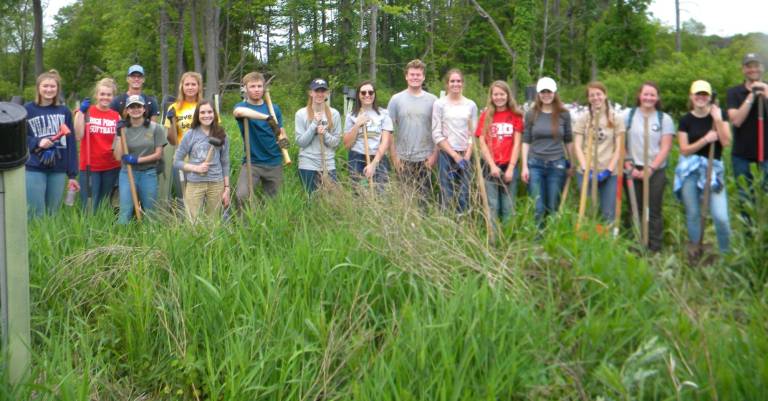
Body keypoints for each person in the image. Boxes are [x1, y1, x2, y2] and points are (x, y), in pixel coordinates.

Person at [674, 80, 732, 255]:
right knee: (693, 214)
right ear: (691, 96)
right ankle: (696, 250)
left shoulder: (719, 115)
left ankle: (726, 254)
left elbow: (726, 142)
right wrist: (705, 140)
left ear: (709, 97)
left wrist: (718, 120)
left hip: (713, 171)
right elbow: (684, 150)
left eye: (704, 94)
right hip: (690, 171)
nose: (701, 97)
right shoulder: (685, 120)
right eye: (697, 94)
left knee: (721, 217)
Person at [623, 81, 675, 252]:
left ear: (657, 97)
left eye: (652, 95)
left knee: (653, 209)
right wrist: (628, 163)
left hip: (655, 169)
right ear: (639, 95)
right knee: (634, 208)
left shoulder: (664, 119)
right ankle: (636, 244)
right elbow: (620, 143)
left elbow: (666, 147)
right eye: (646, 94)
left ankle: (654, 247)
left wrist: (650, 169)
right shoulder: (628, 115)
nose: (648, 98)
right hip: (632, 167)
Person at [24, 70, 79, 218]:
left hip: (58, 168)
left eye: (52, 86)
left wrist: (72, 174)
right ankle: (35, 241)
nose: (49, 90)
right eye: (45, 86)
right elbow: (19, 138)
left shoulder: (64, 112)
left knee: (53, 213)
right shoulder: (27, 110)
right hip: (34, 167)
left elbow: (71, 144)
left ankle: (51, 241)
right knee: (35, 212)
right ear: (38, 88)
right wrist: (37, 141)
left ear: (57, 89)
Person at [521, 77, 574, 226]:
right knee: (537, 206)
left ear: (554, 93)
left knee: (553, 206)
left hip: (557, 164)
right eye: (543, 92)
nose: (546, 95)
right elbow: (526, 141)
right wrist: (524, 166)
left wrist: (572, 163)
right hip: (535, 164)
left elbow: (568, 139)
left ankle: (551, 240)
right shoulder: (532, 114)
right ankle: (537, 241)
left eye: (549, 92)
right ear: (538, 94)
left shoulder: (564, 114)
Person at [572, 81, 625, 222]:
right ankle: (588, 241)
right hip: (586, 172)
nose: (596, 98)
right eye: (592, 95)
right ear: (588, 98)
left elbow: (619, 148)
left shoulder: (616, 119)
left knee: (608, 213)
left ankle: (607, 242)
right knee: (588, 211)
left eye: (598, 94)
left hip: (608, 172)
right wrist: (585, 168)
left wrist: (608, 170)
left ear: (605, 95)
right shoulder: (583, 119)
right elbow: (577, 145)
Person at [387, 59, 438, 200]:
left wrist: (434, 156)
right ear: (406, 76)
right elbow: (389, 131)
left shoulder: (433, 100)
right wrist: (394, 157)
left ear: (423, 77)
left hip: (425, 158)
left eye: (418, 75)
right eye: (412, 74)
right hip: (403, 158)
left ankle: (422, 222)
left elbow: (438, 131)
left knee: (424, 199)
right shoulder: (396, 100)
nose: (415, 77)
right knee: (404, 199)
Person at [475, 80, 523, 226]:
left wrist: (511, 168)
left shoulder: (516, 115)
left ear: (508, 95)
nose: (499, 97)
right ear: (491, 96)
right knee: (492, 205)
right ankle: (493, 241)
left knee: (508, 206)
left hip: (509, 166)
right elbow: (482, 142)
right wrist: (492, 166)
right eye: (495, 94)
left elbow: (517, 144)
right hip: (490, 167)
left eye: (502, 94)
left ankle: (507, 240)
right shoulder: (485, 116)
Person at [233, 71, 286, 203]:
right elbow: (239, 112)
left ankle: (268, 222)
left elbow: (282, 132)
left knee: (274, 201)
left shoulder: (274, 108)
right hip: (252, 162)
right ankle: (245, 223)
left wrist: (284, 141)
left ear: (264, 88)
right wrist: (267, 118)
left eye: (259, 86)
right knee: (242, 196)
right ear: (245, 88)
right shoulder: (242, 106)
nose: (256, 90)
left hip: (274, 161)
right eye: (252, 86)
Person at [113, 95, 166, 224]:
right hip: (127, 173)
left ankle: (149, 239)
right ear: (127, 110)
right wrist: (120, 135)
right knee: (125, 210)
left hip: (148, 173)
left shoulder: (155, 128)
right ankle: (122, 239)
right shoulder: (122, 129)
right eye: (131, 106)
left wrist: (137, 160)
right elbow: (117, 156)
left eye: (138, 106)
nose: (135, 109)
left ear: (144, 109)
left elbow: (158, 154)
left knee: (150, 211)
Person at [173, 100, 230, 221]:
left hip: (216, 183)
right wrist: (196, 168)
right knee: (192, 221)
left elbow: (225, 163)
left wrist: (227, 188)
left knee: (214, 221)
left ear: (214, 114)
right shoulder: (190, 135)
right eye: (202, 112)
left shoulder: (221, 134)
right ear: (197, 116)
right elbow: (176, 161)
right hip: (195, 183)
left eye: (209, 112)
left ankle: (213, 240)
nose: (206, 115)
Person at [432, 69, 478, 212]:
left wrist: (467, 155)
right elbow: (436, 133)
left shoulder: (470, 105)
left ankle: (463, 222)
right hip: (446, 154)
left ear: (463, 83)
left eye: (458, 81)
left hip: (466, 153)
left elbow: (473, 133)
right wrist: (454, 155)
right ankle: (448, 225)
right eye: (452, 81)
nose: (455, 84)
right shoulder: (439, 104)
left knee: (464, 192)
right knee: (447, 192)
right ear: (447, 84)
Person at [74, 77, 122, 212]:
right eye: (102, 94)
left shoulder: (116, 116)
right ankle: (87, 231)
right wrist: (81, 113)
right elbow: (78, 135)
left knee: (104, 202)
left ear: (113, 96)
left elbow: (118, 141)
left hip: (111, 165)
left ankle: (100, 230)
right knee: (89, 204)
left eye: (109, 94)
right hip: (90, 165)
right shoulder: (87, 111)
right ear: (96, 95)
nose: (105, 97)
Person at [726, 53, 768, 204]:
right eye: (749, 66)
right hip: (742, 155)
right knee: (746, 200)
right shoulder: (733, 92)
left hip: (766, 154)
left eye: (756, 66)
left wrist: (766, 93)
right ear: (743, 69)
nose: (753, 70)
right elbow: (736, 120)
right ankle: (748, 228)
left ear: (762, 67)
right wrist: (751, 96)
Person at [343, 80, 393, 188]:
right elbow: (347, 144)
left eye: (370, 92)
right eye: (363, 92)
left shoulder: (383, 114)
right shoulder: (351, 116)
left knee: (380, 193)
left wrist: (373, 164)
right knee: (360, 193)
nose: (367, 95)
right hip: (357, 158)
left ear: (374, 94)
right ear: (358, 95)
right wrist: (357, 125)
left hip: (378, 157)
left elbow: (385, 143)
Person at [295, 78, 342, 193]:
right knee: (310, 200)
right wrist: (314, 125)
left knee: (331, 202)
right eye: (317, 91)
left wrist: (324, 133)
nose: (320, 94)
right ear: (311, 93)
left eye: (323, 91)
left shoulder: (334, 114)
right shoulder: (301, 114)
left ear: (327, 93)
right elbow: (300, 142)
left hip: (328, 164)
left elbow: (335, 143)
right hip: (308, 164)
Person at [163, 71, 204, 202]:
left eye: (193, 84)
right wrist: (172, 121)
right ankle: (185, 221)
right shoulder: (174, 107)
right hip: (182, 158)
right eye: (187, 84)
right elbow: (172, 140)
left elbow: (215, 132)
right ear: (182, 86)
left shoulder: (205, 106)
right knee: (183, 195)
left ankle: (204, 221)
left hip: (203, 157)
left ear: (199, 86)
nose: (190, 87)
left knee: (202, 194)